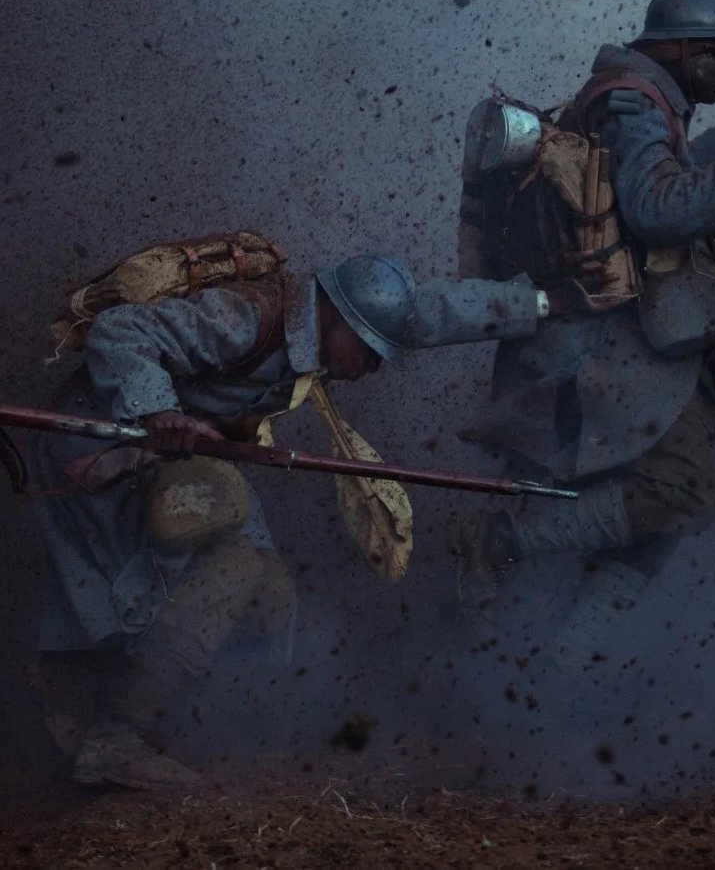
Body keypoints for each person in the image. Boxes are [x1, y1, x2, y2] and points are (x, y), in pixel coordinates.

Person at [29, 253, 560, 790]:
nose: (374, 366)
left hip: (170, 455)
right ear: (336, 319)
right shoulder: (244, 318)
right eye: (370, 351)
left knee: (263, 580)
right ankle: (116, 738)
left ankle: (162, 729)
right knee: (176, 577)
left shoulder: (342, 315)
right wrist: (155, 410)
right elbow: (119, 330)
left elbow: (437, 311)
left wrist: (543, 302)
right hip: (100, 440)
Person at [452, 0, 715, 709]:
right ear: (679, 49)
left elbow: (650, 179)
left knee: (678, 506)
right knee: (679, 491)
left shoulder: (643, 102)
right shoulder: (630, 99)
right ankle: (499, 540)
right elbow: (656, 208)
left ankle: (558, 678)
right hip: (603, 342)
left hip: (624, 338)